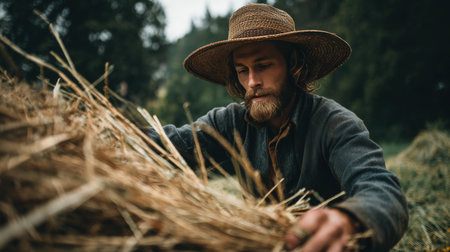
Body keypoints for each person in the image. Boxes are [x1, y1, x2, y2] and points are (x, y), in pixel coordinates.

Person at [149, 3, 408, 251]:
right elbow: (163, 145)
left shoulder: (335, 124)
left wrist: (351, 219)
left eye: (263, 66)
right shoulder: (229, 123)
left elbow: (381, 190)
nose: (251, 82)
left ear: (293, 65)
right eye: (242, 70)